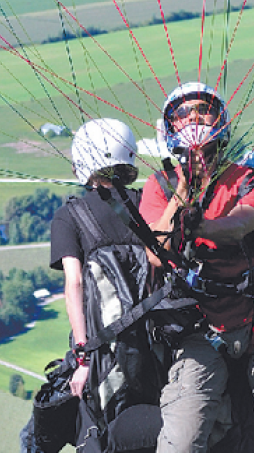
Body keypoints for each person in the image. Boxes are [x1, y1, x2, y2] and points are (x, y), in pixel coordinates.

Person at [139, 82, 254, 452]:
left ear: (221, 121)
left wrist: (199, 226)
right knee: (180, 444)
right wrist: (185, 188)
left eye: (203, 109)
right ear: (169, 128)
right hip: (197, 328)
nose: (193, 117)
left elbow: (239, 224)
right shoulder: (160, 186)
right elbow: (155, 252)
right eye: (182, 112)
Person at [47, 117, 165, 453]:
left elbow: (75, 284)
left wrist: (83, 357)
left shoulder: (69, 216)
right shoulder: (149, 203)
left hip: (104, 355)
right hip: (160, 346)